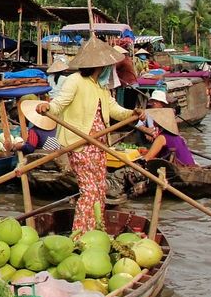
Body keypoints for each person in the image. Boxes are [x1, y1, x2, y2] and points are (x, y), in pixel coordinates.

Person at [36, 37, 140, 233]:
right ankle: (79, 235)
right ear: (100, 65)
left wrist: (132, 113)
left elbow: (115, 110)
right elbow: (59, 104)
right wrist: (46, 107)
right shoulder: (75, 80)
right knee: (89, 191)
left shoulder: (101, 86)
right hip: (80, 144)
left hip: (99, 145)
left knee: (100, 190)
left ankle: (96, 231)